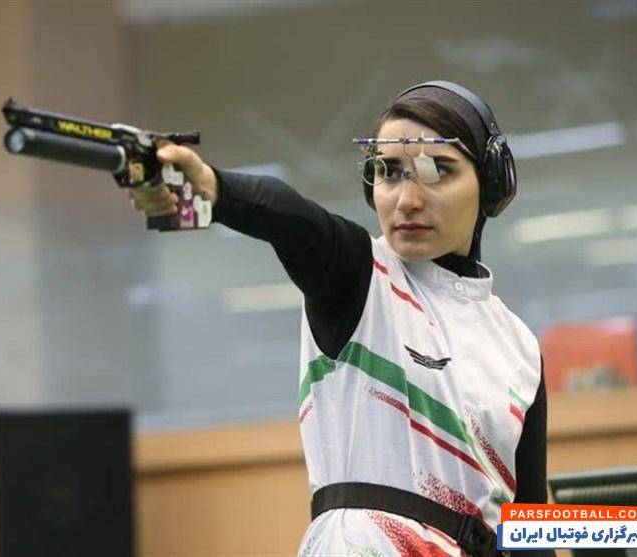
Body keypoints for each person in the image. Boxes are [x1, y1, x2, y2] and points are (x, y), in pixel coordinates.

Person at [128, 81, 552, 557]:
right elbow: (294, 220)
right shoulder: (361, 276)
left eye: (437, 170)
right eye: (388, 171)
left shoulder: (519, 345)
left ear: (491, 183)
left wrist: (624, 528)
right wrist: (213, 188)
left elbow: (533, 525)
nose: (406, 199)